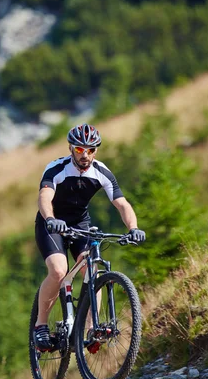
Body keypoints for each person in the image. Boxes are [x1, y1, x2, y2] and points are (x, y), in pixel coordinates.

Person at [34, 122, 146, 351]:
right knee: (58, 271)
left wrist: (133, 228)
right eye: (79, 149)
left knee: (91, 269)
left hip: (80, 225)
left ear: (96, 150)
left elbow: (122, 203)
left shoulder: (102, 172)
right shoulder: (57, 168)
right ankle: (40, 326)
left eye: (90, 150)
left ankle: (91, 328)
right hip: (51, 223)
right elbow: (44, 197)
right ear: (70, 148)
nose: (85, 155)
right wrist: (50, 219)